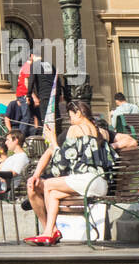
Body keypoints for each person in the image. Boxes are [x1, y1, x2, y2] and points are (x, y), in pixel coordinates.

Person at [24, 100, 115, 246]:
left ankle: (49, 232)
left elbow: (61, 165)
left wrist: (53, 141)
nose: (70, 120)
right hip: (98, 182)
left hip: (88, 180)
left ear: (78, 113)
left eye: (70, 116)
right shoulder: (101, 131)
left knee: (47, 184)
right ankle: (50, 231)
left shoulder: (75, 130)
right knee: (53, 193)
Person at [27, 59, 67, 141]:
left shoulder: (35, 65)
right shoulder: (49, 64)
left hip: (44, 95)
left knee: (45, 118)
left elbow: (31, 80)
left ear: (31, 57)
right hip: (54, 94)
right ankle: (59, 138)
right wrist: (59, 94)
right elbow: (57, 79)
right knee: (55, 116)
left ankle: (48, 140)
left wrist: (28, 95)